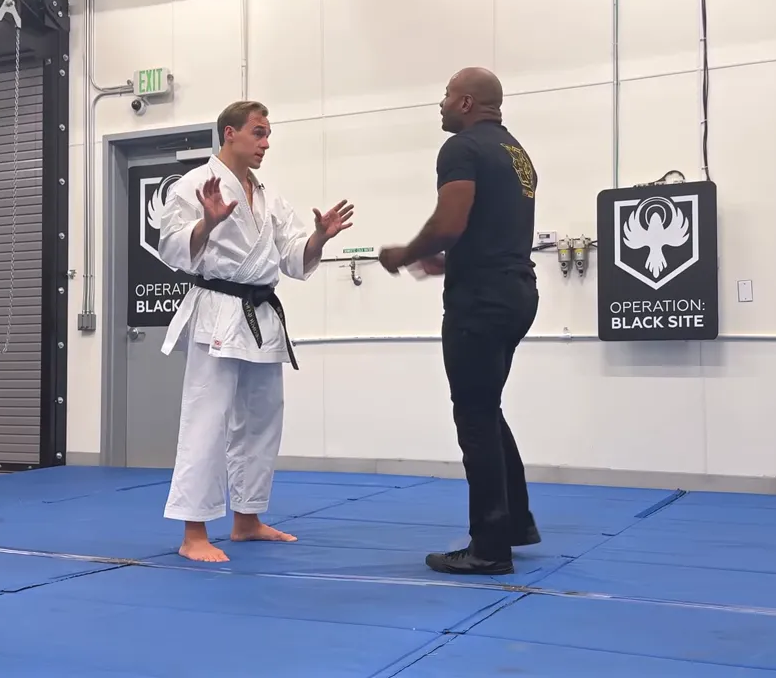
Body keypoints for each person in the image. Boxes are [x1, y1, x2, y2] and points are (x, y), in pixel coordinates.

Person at [158, 100, 354, 562]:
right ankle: (194, 532)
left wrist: (319, 238)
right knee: (206, 418)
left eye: (268, 134)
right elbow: (172, 248)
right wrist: (207, 222)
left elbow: (290, 257)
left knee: (263, 418)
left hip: (261, 314)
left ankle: (246, 519)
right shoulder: (193, 185)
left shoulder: (267, 195)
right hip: (218, 311)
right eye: (258, 133)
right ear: (230, 133)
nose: (266, 143)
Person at [379, 67, 541, 575]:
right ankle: (515, 523)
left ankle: (490, 548)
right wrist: (453, 262)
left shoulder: (462, 149)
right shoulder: (517, 154)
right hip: (516, 291)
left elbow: (450, 223)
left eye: (447, 95)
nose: (442, 104)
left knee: (473, 415)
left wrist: (404, 253)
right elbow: (495, 229)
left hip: (481, 301)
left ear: (468, 102)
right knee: (486, 407)